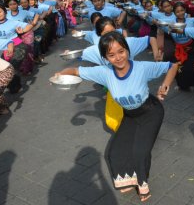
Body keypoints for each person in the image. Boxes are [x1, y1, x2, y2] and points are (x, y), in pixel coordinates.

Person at [55, 31, 178, 202]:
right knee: (113, 152)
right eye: (111, 55)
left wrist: (165, 85)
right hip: (130, 116)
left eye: (121, 51)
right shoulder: (104, 72)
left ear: (127, 50)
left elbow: (172, 65)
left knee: (139, 151)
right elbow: (75, 71)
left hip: (151, 112)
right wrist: (61, 74)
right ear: (105, 58)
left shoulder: (142, 67)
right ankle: (129, 178)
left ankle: (143, 184)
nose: (118, 57)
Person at [0, 38, 14, 117]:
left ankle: (2, 108)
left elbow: (9, 41)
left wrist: (10, 50)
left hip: (5, 70)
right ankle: (1, 108)